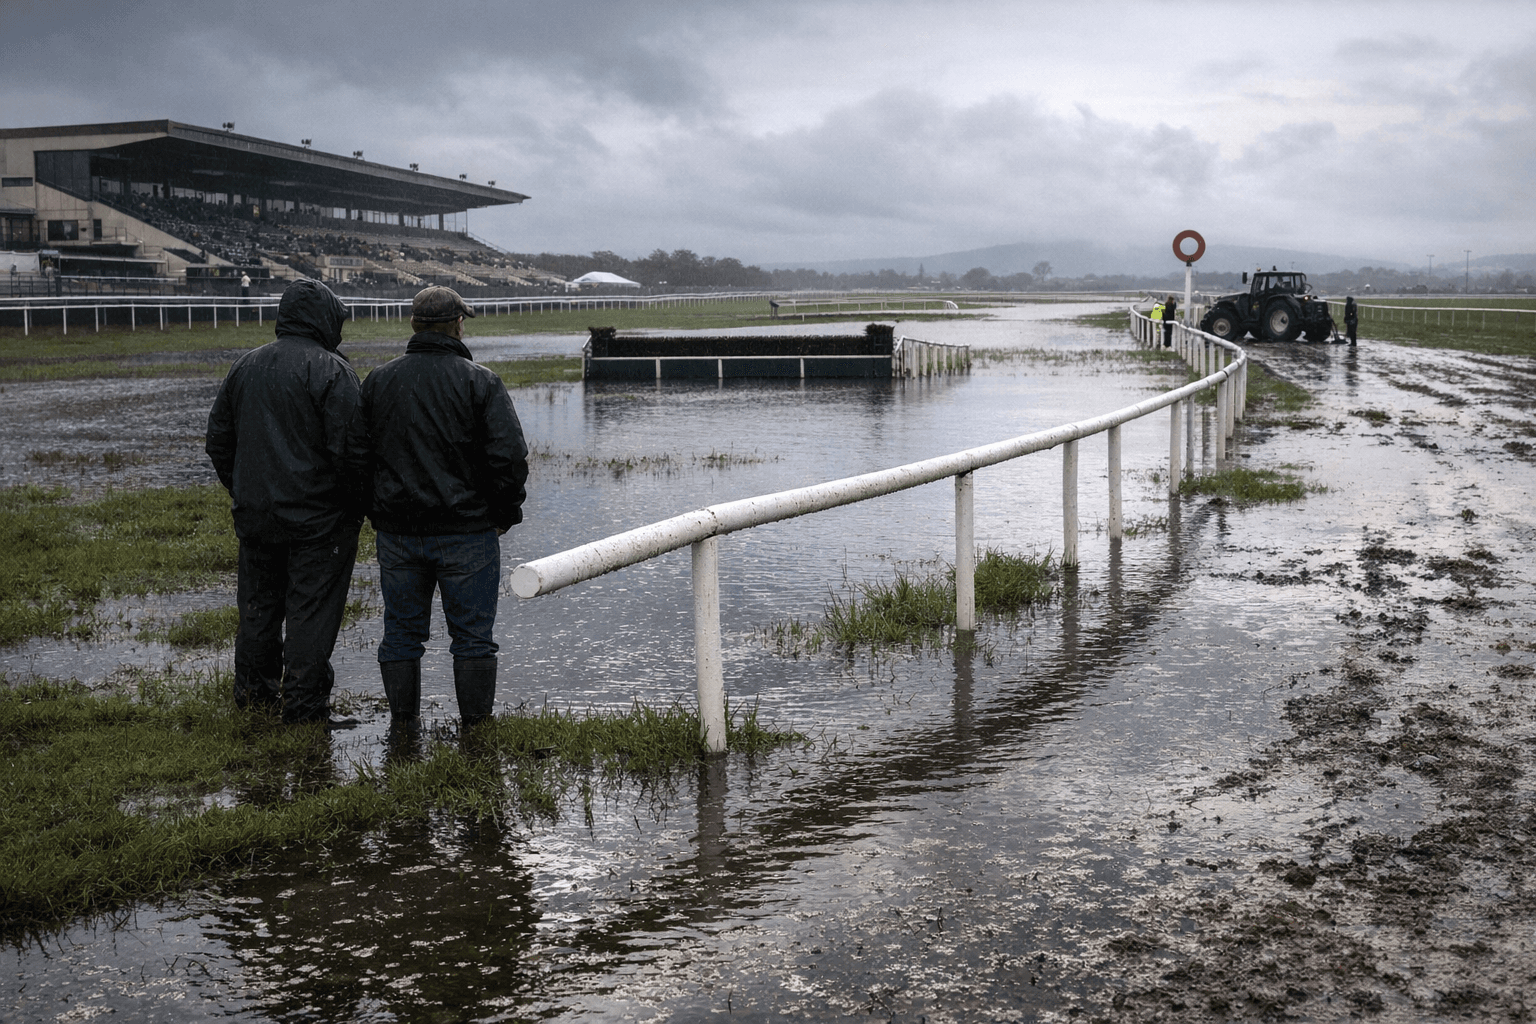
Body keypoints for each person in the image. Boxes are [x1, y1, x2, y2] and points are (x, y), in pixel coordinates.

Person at [361, 286, 529, 733]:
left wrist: (375, 510)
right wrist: (504, 514)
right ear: (458, 324)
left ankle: (403, 727)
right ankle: (475, 731)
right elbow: (509, 459)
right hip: (468, 533)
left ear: (414, 324)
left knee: (400, 634)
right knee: (473, 639)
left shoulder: (378, 381)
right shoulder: (481, 381)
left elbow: (358, 456)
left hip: (397, 534)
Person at [205, 278, 368, 725]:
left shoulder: (245, 366)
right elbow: (353, 455)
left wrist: (244, 490)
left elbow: (218, 441)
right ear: (325, 319)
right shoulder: (334, 371)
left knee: (257, 610)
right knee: (310, 615)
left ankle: (255, 698)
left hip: (257, 518)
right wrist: (353, 510)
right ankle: (304, 708)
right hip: (319, 524)